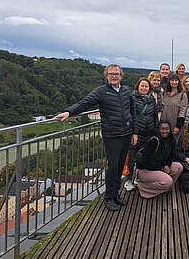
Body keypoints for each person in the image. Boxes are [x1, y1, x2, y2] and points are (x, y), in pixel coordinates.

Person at [54, 64, 133, 212]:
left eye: (117, 73)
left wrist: (133, 131)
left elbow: (132, 111)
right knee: (113, 167)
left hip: (126, 133)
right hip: (112, 135)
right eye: (111, 74)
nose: (114, 76)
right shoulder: (101, 91)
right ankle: (108, 198)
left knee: (121, 165)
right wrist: (69, 112)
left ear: (121, 75)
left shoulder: (126, 91)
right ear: (106, 76)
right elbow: (85, 103)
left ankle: (116, 194)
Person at [124, 77, 158, 191]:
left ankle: (138, 178)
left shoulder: (152, 99)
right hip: (136, 133)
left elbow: (154, 116)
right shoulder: (132, 98)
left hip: (148, 132)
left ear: (149, 88)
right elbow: (129, 115)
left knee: (144, 156)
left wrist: (155, 129)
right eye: (142, 86)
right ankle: (128, 180)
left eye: (146, 86)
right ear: (138, 86)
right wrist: (133, 131)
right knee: (131, 157)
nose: (144, 88)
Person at [135, 120, 184, 198]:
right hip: (145, 170)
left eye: (167, 129)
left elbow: (171, 156)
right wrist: (161, 167)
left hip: (159, 168)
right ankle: (142, 187)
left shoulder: (171, 140)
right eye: (162, 129)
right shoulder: (153, 141)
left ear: (170, 129)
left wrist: (166, 165)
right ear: (158, 129)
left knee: (179, 167)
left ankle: (165, 188)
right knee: (168, 181)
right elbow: (145, 162)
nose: (165, 131)